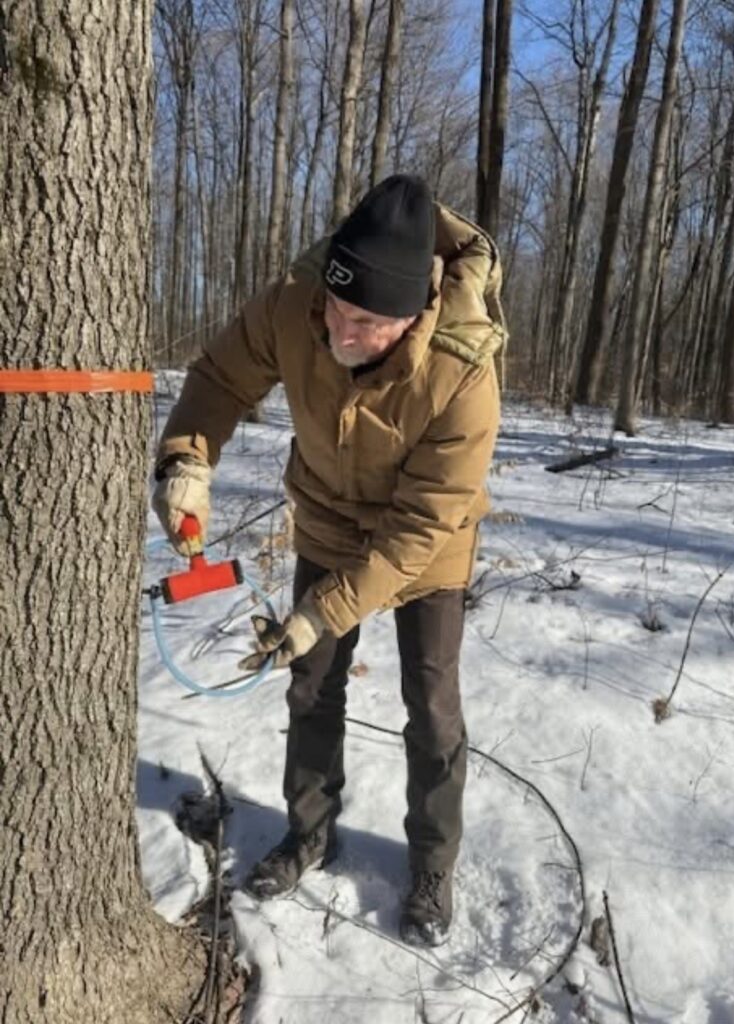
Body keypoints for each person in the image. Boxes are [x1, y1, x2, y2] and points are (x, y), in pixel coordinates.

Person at [152, 175, 504, 946]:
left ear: (414, 316)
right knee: (311, 687)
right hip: (327, 520)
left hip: (428, 549)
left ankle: (432, 866)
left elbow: (421, 527)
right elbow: (219, 377)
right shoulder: (296, 303)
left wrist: (323, 612)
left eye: (367, 321)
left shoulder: (463, 370)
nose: (342, 331)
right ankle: (307, 833)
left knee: (433, 708)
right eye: (337, 309)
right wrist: (187, 459)